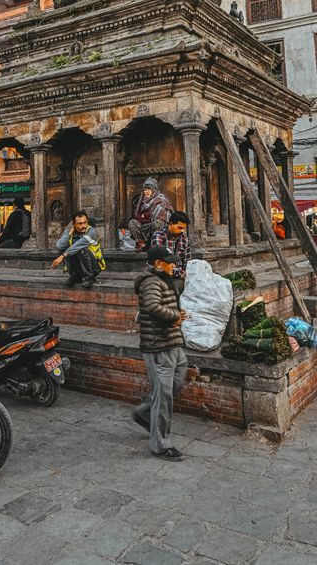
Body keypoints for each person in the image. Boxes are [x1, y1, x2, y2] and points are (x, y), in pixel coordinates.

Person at [132, 244, 188, 462]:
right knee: (164, 396)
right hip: (158, 345)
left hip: (172, 342)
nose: (173, 265)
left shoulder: (164, 280)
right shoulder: (151, 282)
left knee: (176, 380)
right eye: (169, 262)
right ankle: (160, 445)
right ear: (158, 263)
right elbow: (153, 307)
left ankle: (145, 412)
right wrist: (174, 316)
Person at [51, 211, 106, 289]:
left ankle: (89, 278)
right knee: (65, 248)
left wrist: (62, 256)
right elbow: (59, 246)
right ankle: (75, 277)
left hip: (94, 267)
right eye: (80, 223)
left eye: (85, 222)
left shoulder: (91, 232)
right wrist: (69, 233)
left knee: (80, 248)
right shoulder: (70, 231)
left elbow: (79, 245)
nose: (83, 226)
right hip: (79, 266)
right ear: (74, 224)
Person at [128, 178, 173, 251]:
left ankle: (155, 244)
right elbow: (137, 216)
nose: (146, 192)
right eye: (145, 190)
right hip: (144, 226)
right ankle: (142, 244)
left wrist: (145, 216)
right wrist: (146, 216)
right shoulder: (142, 201)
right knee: (132, 223)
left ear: (154, 190)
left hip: (155, 227)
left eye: (149, 189)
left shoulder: (160, 201)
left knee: (158, 223)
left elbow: (163, 218)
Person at [149, 211, 191, 287]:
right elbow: (161, 264)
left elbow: (187, 261)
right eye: (179, 228)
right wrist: (183, 274)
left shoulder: (184, 238)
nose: (182, 231)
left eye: (184, 228)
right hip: (161, 276)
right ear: (171, 224)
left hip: (179, 275)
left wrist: (189, 274)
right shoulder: (159, 236)